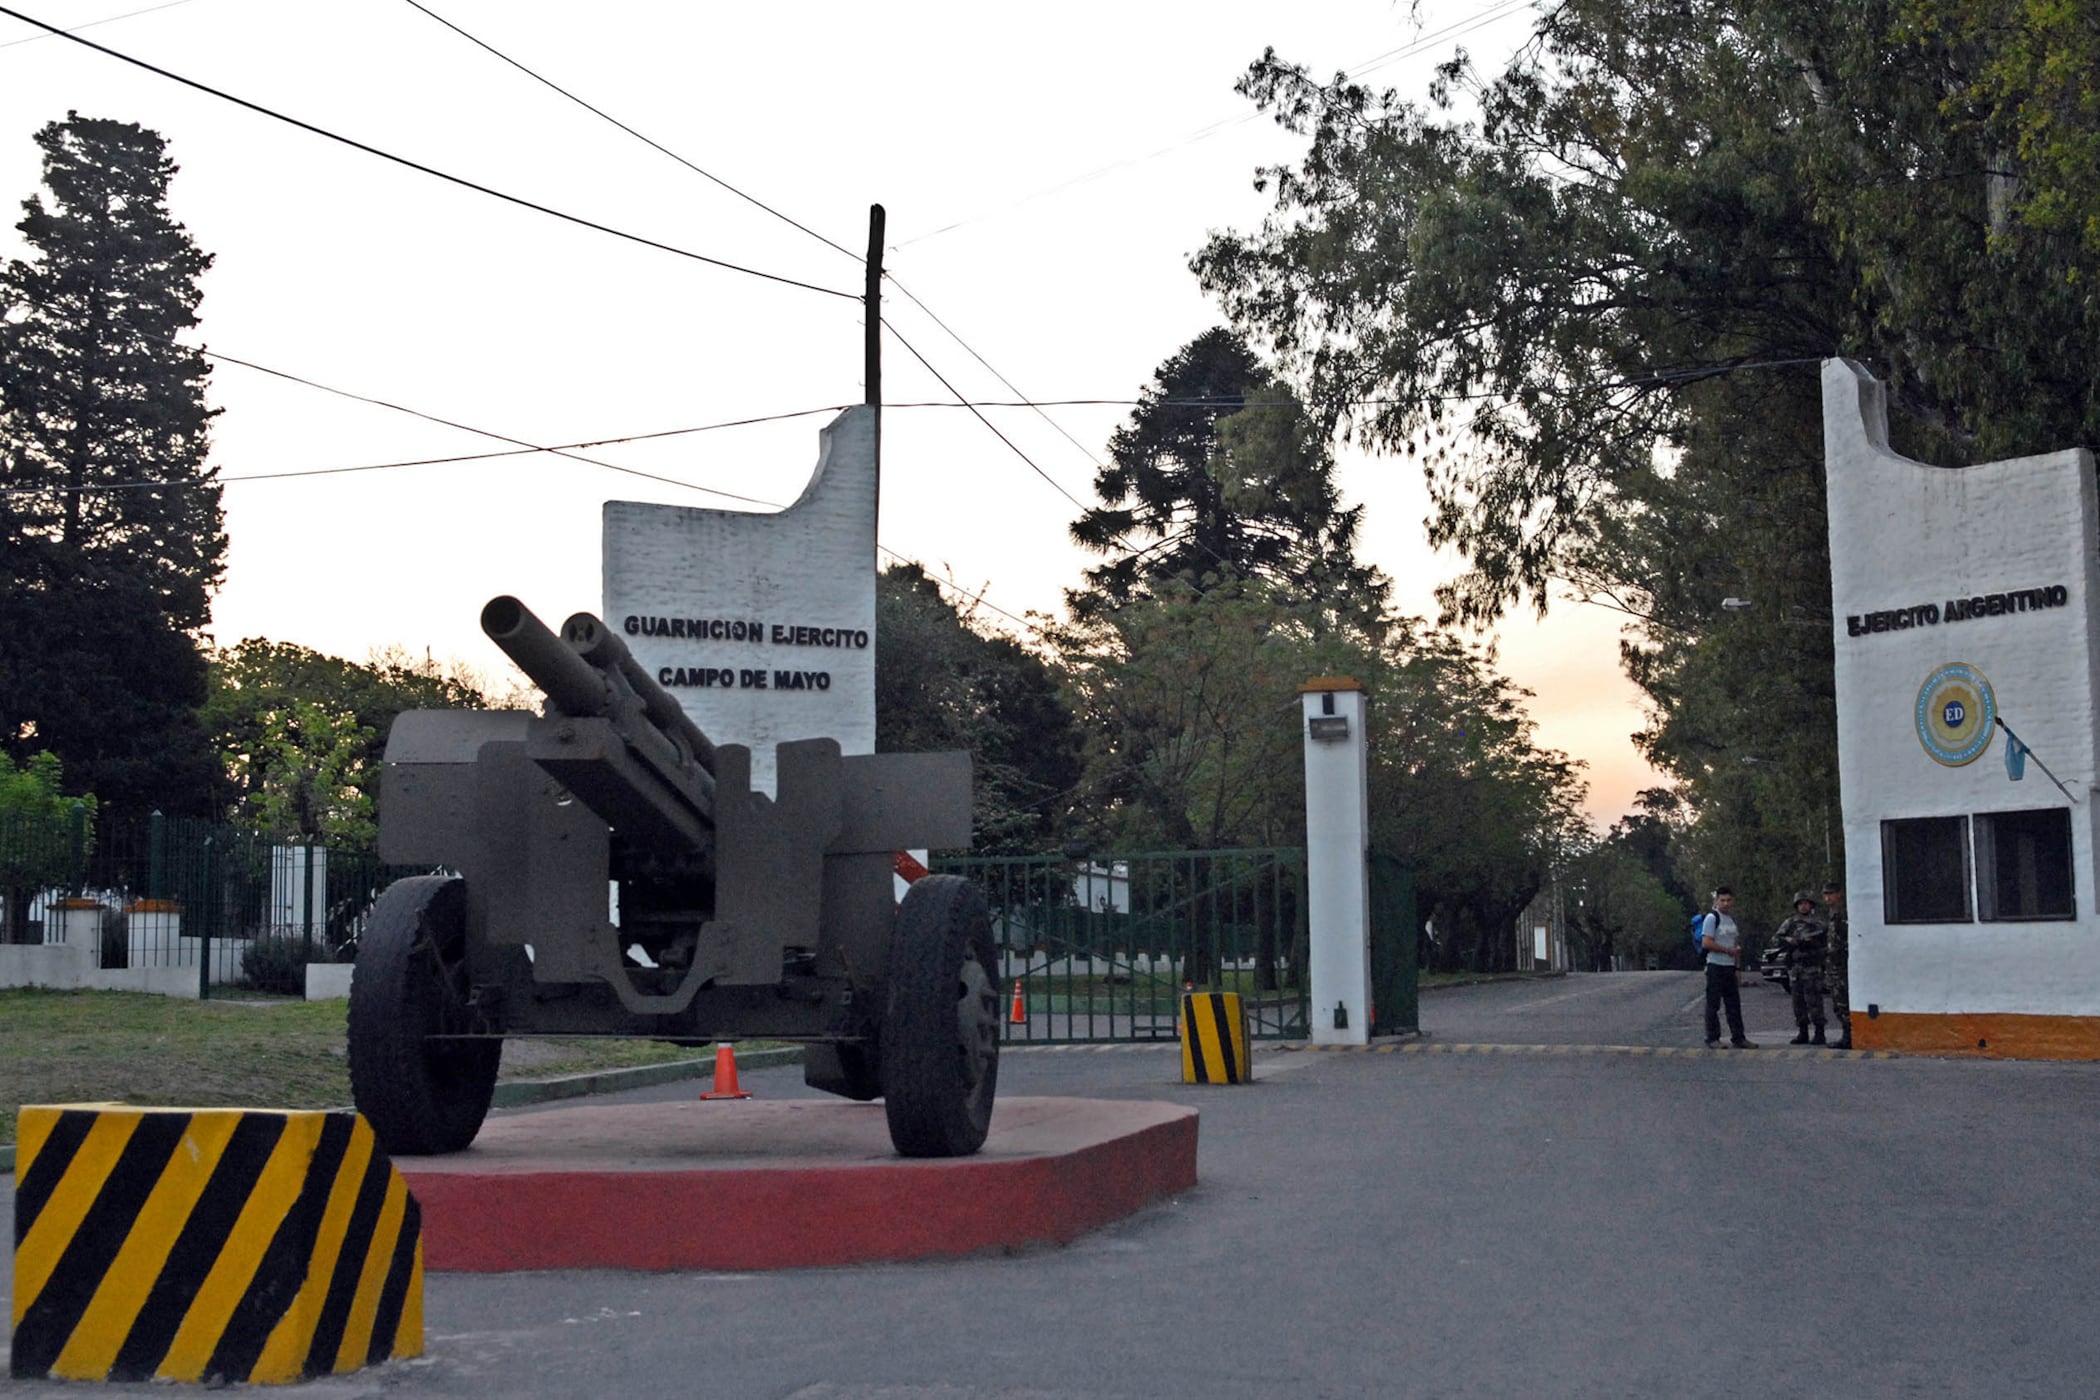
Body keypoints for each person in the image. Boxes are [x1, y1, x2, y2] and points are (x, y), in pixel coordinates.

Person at [1698, 888, 1756, 1048]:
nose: (1725, 903)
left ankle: (1738, 1037)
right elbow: (1706, 942)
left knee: (1733, 1004)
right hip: (1715, 966)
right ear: (1716, 901)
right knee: (1713, 1004)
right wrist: (1726, 950)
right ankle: (1712, 1038)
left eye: (1728, 900)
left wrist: (1737, 967)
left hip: (1730, 967)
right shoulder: (1712, 918)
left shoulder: (1732, 920)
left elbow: (1736, 945)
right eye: (1722, 900)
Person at [1773, 891, 1830, 1044]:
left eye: (1806, 903)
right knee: (1797, 1002)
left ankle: (1819, 1033)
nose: (1803, 906)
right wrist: (1789, 940)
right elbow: (1776, 939)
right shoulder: (1790, 923)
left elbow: (1827, 943)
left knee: (1815, 1001)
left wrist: (1813, 944)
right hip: (1796, 968)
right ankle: (1802, 1032)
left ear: (1811, 905)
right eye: (1800, 903)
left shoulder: (1819, 924)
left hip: (1812, 967)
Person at [1822, 881, 1852, 1049]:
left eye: (1831, 894)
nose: (1828, 898)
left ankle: (1849, 1036)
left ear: (1839, 894)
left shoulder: (1843, 913)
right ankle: (1846, 1034)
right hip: (1833, 965)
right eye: (1826, 894)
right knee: (1837, 1002)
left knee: (1843, 1002)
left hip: (1841, 965)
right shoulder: (1831, 913)